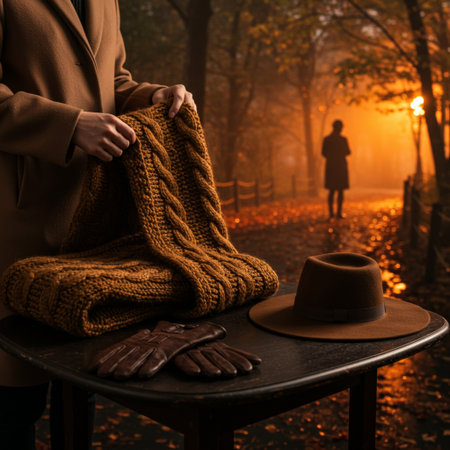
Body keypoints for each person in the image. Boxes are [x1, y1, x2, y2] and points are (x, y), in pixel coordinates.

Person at [0, 1, 196, 448]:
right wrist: (69, 127)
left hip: (91, 225)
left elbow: (111, 81)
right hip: (18, 222)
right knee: (13, 403)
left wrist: (151, 96)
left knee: (81, 385)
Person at [321, 120, 351, 219]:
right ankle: (338, 213)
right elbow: (348, 152)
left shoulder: (327, 139)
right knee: (340, 191)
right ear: (340, 128)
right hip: (341, 166)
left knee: (331, 190)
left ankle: (331, 213)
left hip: (330, 167)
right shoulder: (343, 140)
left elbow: (323, 153)